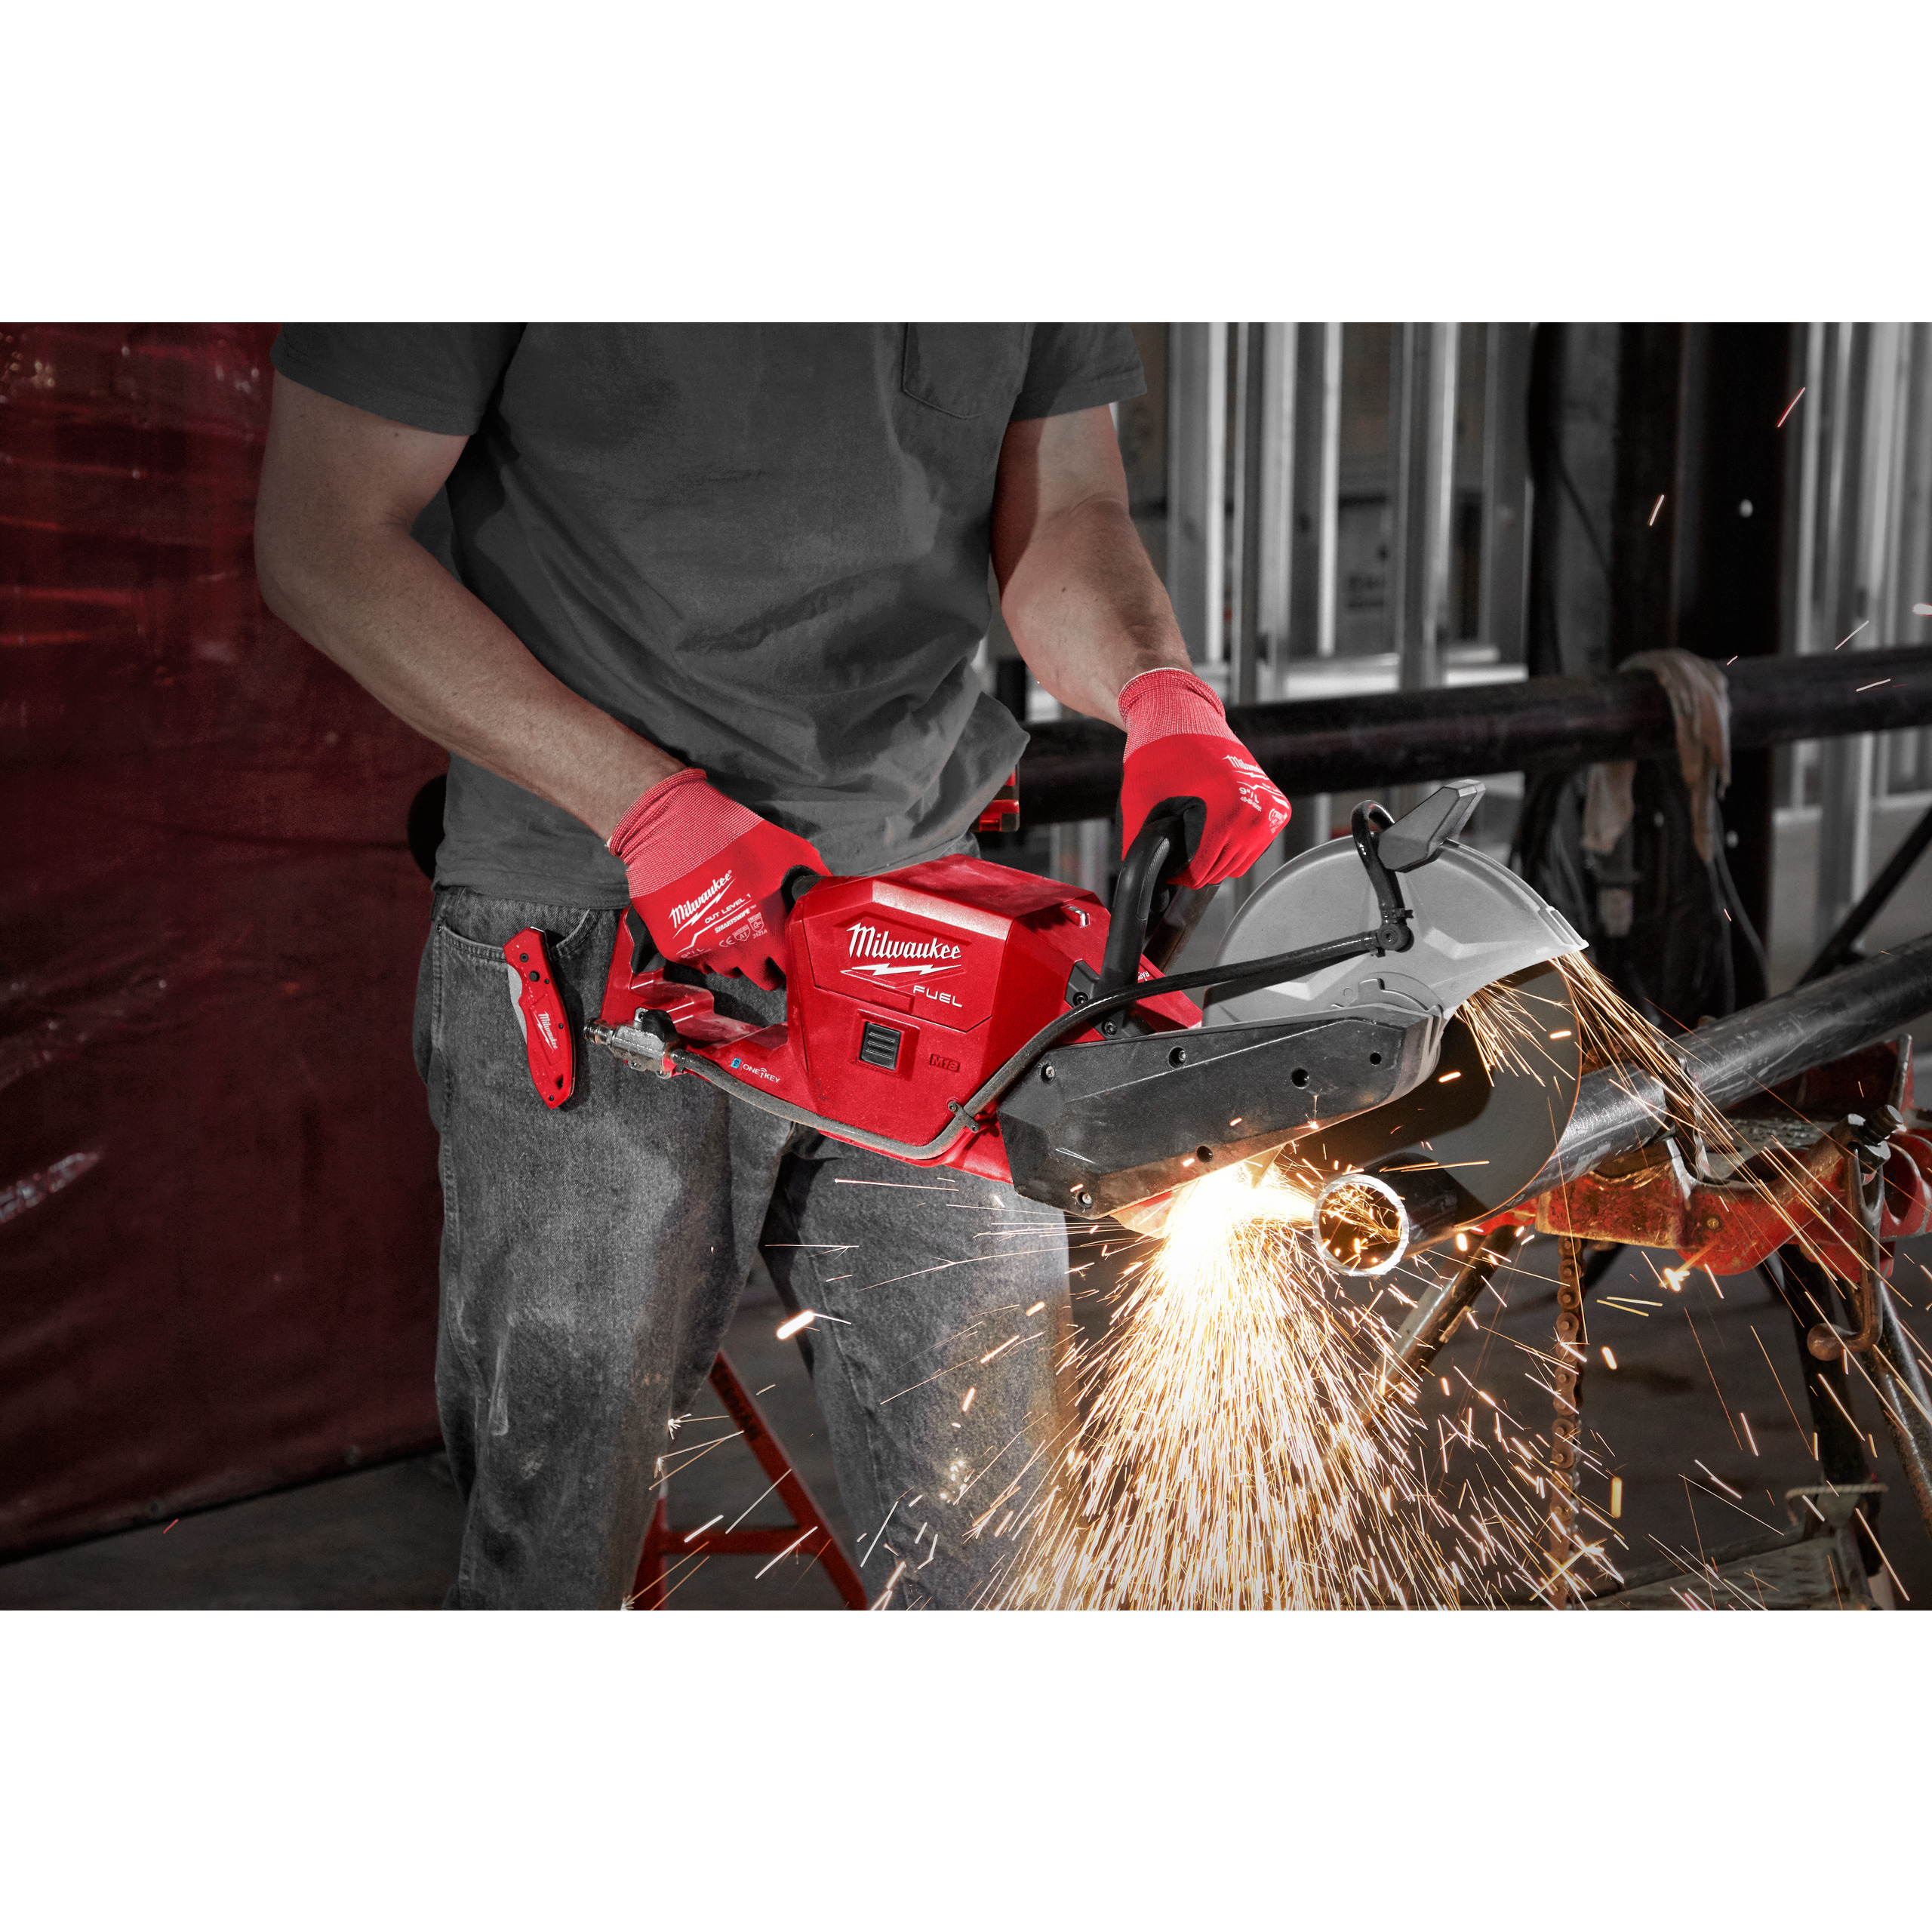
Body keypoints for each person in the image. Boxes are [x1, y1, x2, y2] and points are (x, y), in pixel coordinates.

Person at [254, 325, 1289, 1609]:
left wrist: (1161, 689)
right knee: (556, 1551)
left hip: (927, 927)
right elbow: (322, 539)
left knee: (1007, 1541)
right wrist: (642, 805)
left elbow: (1068, 511)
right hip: (599, 929)